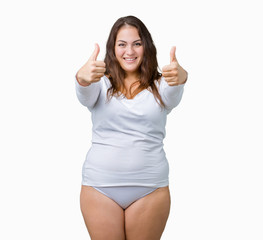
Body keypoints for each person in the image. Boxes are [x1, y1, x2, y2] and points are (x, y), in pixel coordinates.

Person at [75, 15, 188, 240]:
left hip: (150, 189)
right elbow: (84, 93)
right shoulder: (100, 82)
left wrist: (182, 77)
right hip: (100, 188)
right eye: (122, 44)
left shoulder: (161, 84)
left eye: (137, 43)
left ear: (146, 46)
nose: (130, 51)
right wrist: (82, 78)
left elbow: (174, 92)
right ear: (112, 48)